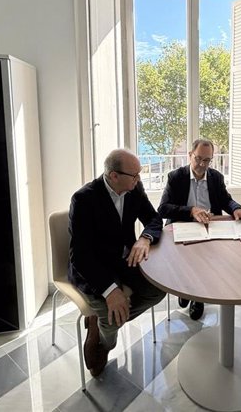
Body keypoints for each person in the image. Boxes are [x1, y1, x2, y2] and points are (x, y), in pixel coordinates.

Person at [68, 149, 166, 378]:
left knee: (157, 291)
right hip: (94, 268)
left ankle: (102, 324)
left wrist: (145, 238)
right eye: (134, 175)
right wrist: (111, 290)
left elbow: (154, 219)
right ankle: (104, 342)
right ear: (113, 176)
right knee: (110, 310)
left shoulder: (134, 189)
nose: (139, 179)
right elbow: (80, 256)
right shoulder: (83, 199)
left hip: (124, 261)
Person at [158, 139, 241, 320]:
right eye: (198, 159)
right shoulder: (176, 177)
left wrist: (237, 208)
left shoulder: (215, 177)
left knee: (205, 263)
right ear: (190, 155)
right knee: (185, 261)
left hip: (210, 227)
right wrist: (191, 211)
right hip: (183, 227)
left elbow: (226, 200)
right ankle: (184, 290)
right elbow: (163, 208)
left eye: (207, 160)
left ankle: (197, 298)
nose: (202, 165)